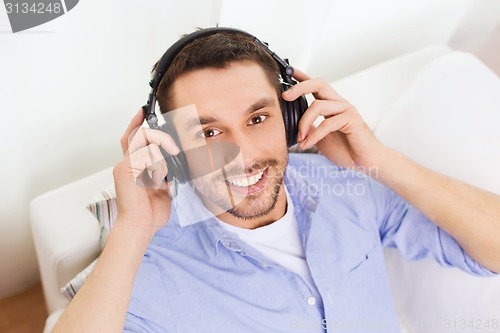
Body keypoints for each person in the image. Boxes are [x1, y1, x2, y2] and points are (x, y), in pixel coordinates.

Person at [52, 28, 500, 333]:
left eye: (258, 117)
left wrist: (378, 160)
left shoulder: (345, 184)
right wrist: (131, 230)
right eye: (208, 133)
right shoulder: (148, 264)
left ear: (290, 116)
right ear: (172, 146)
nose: (243, 156)